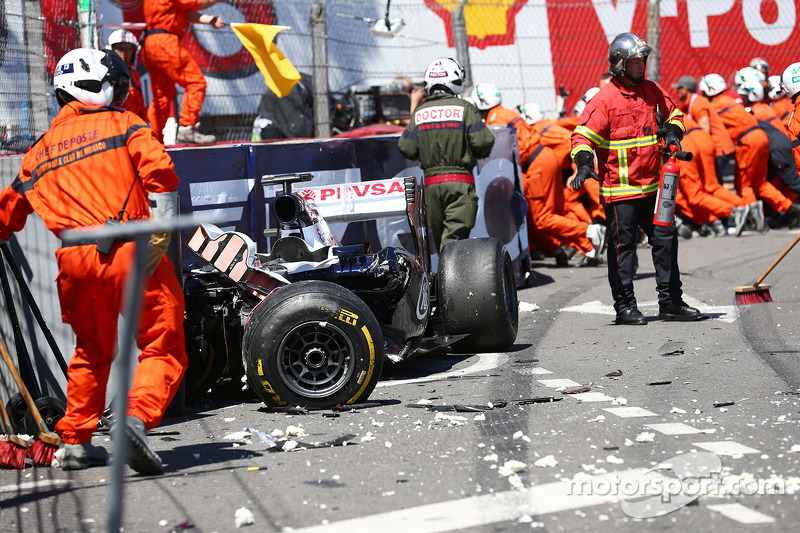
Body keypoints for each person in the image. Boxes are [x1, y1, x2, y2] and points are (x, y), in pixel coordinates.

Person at [0, 48, 187, 474]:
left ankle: (77, 443)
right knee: (163, 345)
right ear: (91, 86)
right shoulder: (124, 124)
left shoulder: (37, 153)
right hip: (133, 248)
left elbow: (6, 214)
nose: (120, 94)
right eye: (116, 86)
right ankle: (134, 421)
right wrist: (160, 233)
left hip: (76, 264)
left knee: (91, 352)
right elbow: (161, 174)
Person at [570, 32, 701, 325]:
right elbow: (581, 136)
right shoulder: (604, 100)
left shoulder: (653, 91)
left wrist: (672, 132)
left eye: (643, 60)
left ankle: (671, 302)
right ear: (619, 64)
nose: (641, 65)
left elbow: (676, 115)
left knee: (666, 240)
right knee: (623, 249)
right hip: (621, 192)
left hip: (656, 187)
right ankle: (625, 306)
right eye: (634, 62)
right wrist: (582, 162)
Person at [471, 84, 605, 267]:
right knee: (558, 210)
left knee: (541, 218)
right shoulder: (504, 113)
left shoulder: (495, 118)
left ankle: (590, 230)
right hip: (545, 158)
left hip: (536, 165)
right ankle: (588, 247)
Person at [397, 58, 494, 253]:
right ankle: (450, 282)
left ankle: (446, 280)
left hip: (431, 188)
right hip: (460, 184)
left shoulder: (419, 113)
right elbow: (483, 142)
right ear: (456, 80)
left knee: (443, 241)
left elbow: (406, 147)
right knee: (453, 242)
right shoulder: (465, 108)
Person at [699, 73, 800, 228]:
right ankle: (788, 207)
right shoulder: (729, 100)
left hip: (747, 141)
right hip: (761, 137)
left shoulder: (714, 106)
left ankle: (755, 217)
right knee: (760, 182)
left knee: (744, 183)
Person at [141, 0, 226, 145]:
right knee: (196, 82)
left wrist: (209, 20)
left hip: (151, 42)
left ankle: (153, 139)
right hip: (166, 42)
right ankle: (187, 128)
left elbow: (184, 12)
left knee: (161, 96)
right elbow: (197, 3)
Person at [672, 75, 736, 184]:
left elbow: (704, 130)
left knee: (712, 184)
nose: (677, 93)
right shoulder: (690, 104)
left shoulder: (698, 102)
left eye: (679, 89)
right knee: (715, 182)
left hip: (720, 148)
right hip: (717, 147)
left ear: (684, 90)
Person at [107, 29, 149, 124]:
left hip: (132, 124)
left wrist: (144, 123)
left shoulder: (135, 75)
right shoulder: (104, 71)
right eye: (120, 48)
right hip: (113, 123)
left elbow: (141, 106)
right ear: (111, 49)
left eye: (129, 48)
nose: (125, 53)